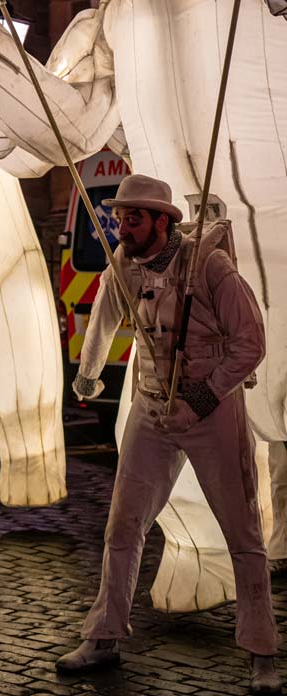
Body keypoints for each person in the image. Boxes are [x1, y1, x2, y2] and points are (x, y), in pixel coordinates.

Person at [55, 175, 280, 695]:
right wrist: (88, 374)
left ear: (163, 220)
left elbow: (250, 343)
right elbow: (103, 320)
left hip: (211, 410)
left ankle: (262, 654)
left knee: (243, 533)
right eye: (119, 216)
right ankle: (104, 636)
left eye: (133, 216)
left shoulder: (211, 268)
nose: (122, 225)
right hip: (151, 410)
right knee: (123, 526)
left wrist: (202, 399)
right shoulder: (123, 265)